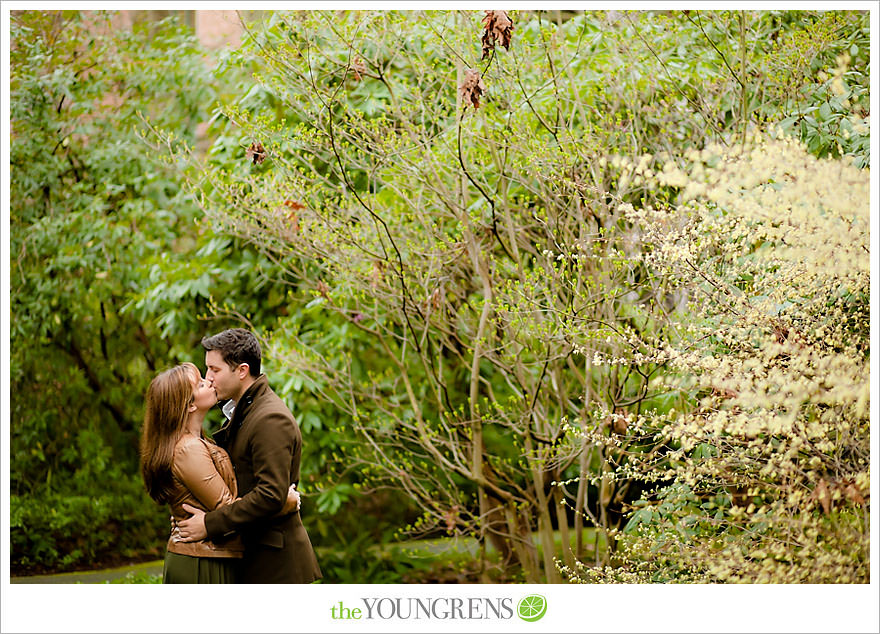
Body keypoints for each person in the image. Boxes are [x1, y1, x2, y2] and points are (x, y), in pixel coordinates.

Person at [176, 328, 322, 584]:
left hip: (276, 565)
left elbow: (269, 494)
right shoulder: (241, 411)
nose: (208, 378)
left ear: (242, 370)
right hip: (253, 557)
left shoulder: (270, 418)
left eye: (215, 370)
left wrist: (209, 524)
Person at [140, 362, 300, 584]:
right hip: (200, 560)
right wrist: (283, 503)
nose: (209, 381)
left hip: (209, 554)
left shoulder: (198, 442)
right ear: (189, 406)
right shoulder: (189, 449)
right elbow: (228, 508)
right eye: (200, 384)